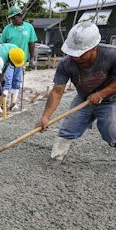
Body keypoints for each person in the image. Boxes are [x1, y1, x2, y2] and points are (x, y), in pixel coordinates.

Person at [36, 22, 116, 163]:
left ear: (93, 48)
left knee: (111, 128)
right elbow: (57, 90)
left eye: (80, 54)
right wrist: (45, 116)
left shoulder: (111, 55)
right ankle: (56, 159)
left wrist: (101, 94)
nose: (75, 57)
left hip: (111, 99)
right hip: (84, 98)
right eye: (73, 53)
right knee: (68, 127)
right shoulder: (66, 64)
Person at [0, 5, 37, 110]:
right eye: (11, 18)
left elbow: (32, 43)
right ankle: (3, 104)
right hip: (9, 61)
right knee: (7, 81)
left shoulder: (29, 27)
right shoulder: (8, 29)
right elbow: (2, 44)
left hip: (21, 61)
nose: (12, 20)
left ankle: (13, 103)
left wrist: (32, 58)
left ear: (19, 16)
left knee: (17, 81)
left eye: (13, 18)